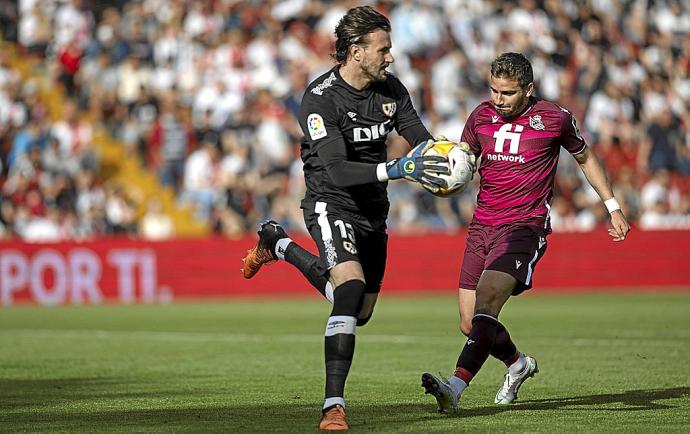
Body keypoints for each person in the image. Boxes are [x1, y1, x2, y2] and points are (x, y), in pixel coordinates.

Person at [241, 6, 450, 431]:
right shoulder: (320, 99)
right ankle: (333, 406)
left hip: (374, 211)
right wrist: (398, 169)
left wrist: (449, 160)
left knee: (359, 311)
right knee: (349, 288)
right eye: (383, 49)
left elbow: (422, 141)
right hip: (330, 203)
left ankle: (277, 243)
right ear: (356, 52)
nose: (390, 57)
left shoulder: (392, 91)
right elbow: (336, 169)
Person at [420, 52, 631, 412]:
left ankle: (454, 388)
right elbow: (464, 163)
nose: (498, 100)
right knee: (470, 323)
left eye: (508, 93)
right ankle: (518, 364)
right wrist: (443, 167)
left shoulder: (554, 118)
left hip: (524, 226)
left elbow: (585, 157)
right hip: (481, 226)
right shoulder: (479, 116)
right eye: (494, 91)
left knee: (487, 301)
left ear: (528, 90)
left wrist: (612, 207)